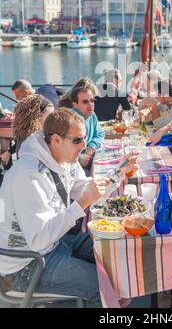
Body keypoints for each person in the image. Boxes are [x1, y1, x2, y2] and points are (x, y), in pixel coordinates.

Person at [0, 108, 110, 306]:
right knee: (102, 287)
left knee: (109, 250)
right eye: (77, 140)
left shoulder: (63, 159)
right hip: (23, 267)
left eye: (83, 138)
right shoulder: (28, 175)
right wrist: (82, 203)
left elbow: (81, 187)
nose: (84, 145)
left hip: (52, 245)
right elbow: (38, 240)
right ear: (57, 140)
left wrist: (117, 176)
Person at [70, 86, 105, 168]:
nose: (90, 105)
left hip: (89, 160)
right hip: (75, 167)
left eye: (92, 101)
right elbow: (64, 153)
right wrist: (80, 160)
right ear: (74, 104)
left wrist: (91, 147)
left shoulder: (91, 114)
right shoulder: (70, 121)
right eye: (85, 102)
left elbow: (100, 134)